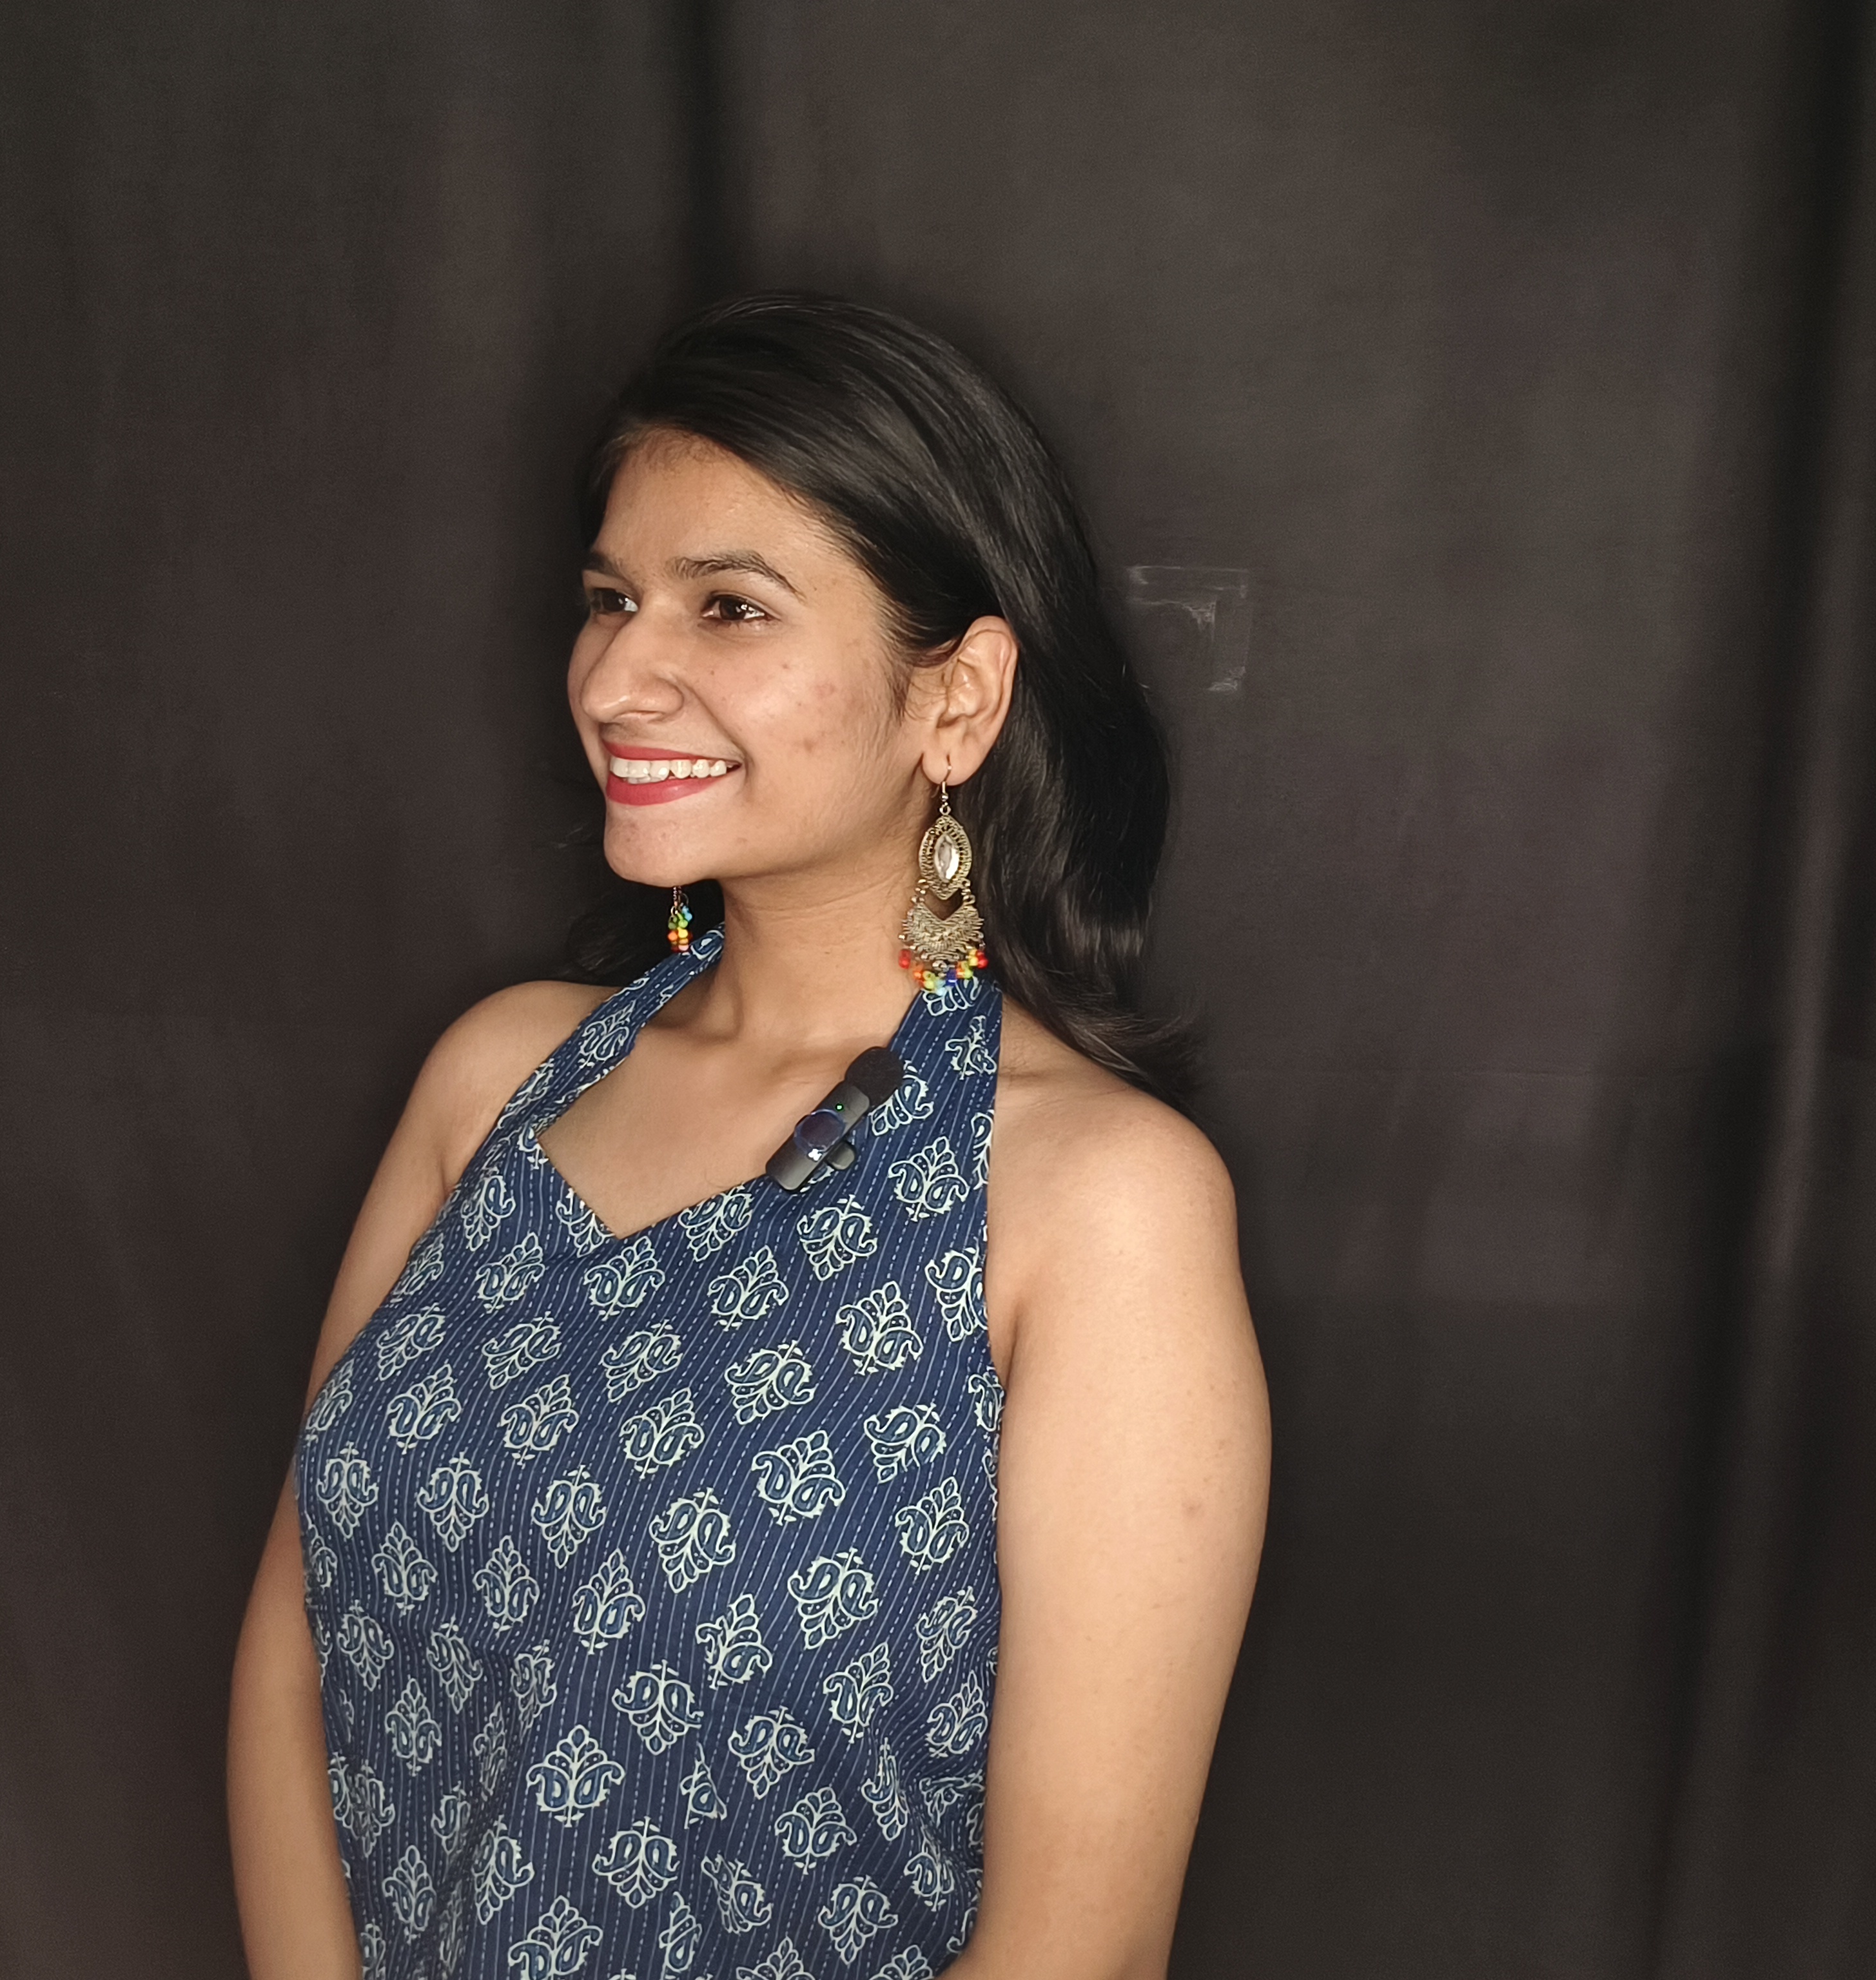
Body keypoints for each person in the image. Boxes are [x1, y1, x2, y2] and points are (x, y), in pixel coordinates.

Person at [226, 293, 1269, 1980]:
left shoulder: (1095, 1202)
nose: (616, 678)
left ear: (957, 699)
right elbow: (296, 1657)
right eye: (609, 601)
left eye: (730, 607)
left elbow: (1077, 1950)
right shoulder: (494, 1081)